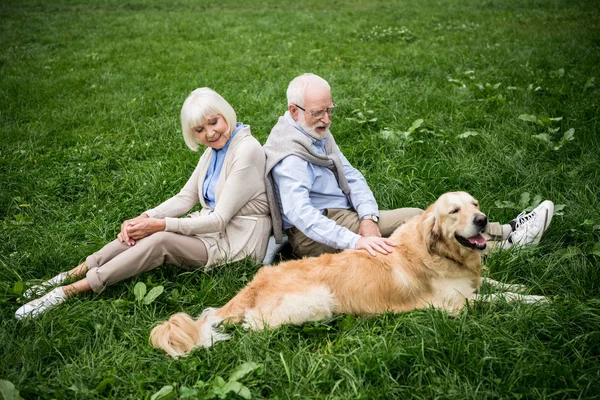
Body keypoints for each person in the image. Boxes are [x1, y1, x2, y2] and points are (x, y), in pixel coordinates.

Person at [16, 88, 271, 319]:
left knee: (160, 241)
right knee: (144, 231)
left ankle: (70, 290)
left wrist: (160, 226)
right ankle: (73, 272)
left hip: (237, 242)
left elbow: (219, 220)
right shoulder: (214, 149)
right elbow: (186, 197)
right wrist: (144, 217)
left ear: (226, 114)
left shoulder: (245, 149)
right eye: (200, 130)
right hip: (211, 232)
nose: (210, 132)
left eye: (214, 122)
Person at [263, 73, 554, 259]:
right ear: (294, 111)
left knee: (416, 224)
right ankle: (504, 241)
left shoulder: (312, 128)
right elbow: (300, 214)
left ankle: (503, 234)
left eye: (330, 110)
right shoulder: (291, 157)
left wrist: (367, 216)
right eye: (318, 112)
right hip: (317, 232)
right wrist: (356, 240)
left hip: (345, 214)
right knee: (417, 226)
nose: (326, 119)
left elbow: (350, 173)